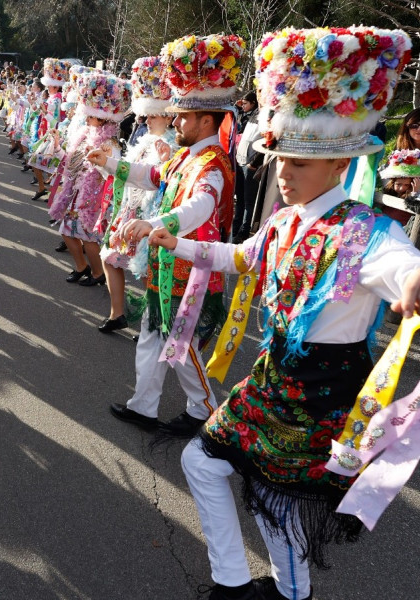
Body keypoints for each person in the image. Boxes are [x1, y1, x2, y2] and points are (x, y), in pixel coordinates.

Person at [143, 26, 418, 600]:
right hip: (274, 379)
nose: (284, 174)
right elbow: (240, 257)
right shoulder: (285, 221)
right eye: (280, 160)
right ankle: (238, 582)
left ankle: (285, 591)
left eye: (299, 163)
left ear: (341, 162)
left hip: (321, 391)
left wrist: (414, 281)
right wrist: (171, 241)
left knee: (273, 501)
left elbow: (402, 263)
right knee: (207, 463)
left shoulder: (366, 235)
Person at [87, 34, 243, 436]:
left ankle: (206, 412)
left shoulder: (212, 165)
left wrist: (153, 225)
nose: (175, 122)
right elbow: (154, 176)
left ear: (206, 120)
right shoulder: (186, 157)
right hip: (168, 266)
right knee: (156, 337)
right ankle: (145, 406)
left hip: (190, 271)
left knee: (181, 346)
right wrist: (112, 163)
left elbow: (199, 209)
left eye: (182, 116)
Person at [97, 55, 176, 334]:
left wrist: (165, 164)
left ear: (168, 116)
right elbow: (127, 174)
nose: (147, 118)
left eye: (153, 114)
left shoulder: (173, 145)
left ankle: (153, 323)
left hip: (150, 215)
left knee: (147, 272)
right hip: (129, 211)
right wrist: (108, 161)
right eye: (147, 113)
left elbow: (162, 182)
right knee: (109, 257)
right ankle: (118, 313)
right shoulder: (142, 139)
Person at [49, 72, 131, 287]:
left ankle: (97, 273)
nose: (87, 119)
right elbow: (70, 163)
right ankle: (81, 267)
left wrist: (99, 161)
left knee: (88, 239)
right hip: (75, 192)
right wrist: (57, 146)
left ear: (103, 119)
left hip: (94, 197)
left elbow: (114, 175)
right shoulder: (83, 134)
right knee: (66, 232)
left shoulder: (111, 144)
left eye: (91, 116)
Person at [27, 59, 73, 201]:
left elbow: (56, 121)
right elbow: (42, 114)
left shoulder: (58, 98)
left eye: (50, 84)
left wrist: (44, 112)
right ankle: (46, 190)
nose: (47, 86)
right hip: (48, 134)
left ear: (55, 85)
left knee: (44, 164)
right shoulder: (53, 97)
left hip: (54, 136)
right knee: (43, 164)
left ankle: (51, 193)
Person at [232, 91, 262, 243]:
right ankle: (236, 228)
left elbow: (268, 141)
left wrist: (254, 163)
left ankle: (244, 232)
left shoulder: (269, 116)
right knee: (240, 199)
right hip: (241, 162)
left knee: (249, 201)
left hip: (250, 166)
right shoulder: (252, 114)